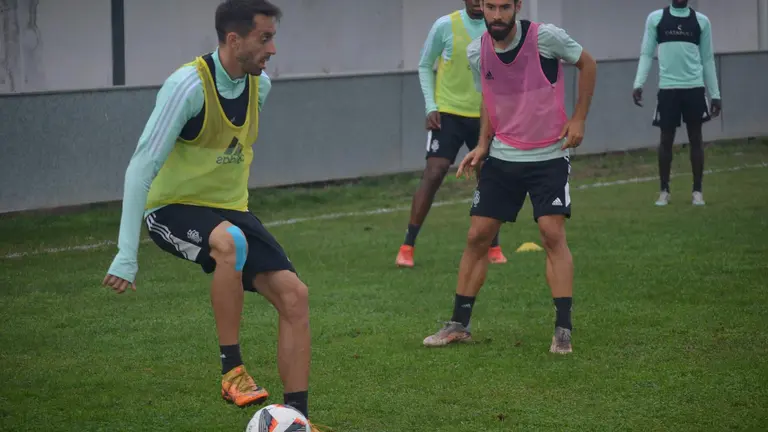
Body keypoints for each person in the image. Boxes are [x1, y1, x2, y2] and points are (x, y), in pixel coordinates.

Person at [101, 1, 322, 427]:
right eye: (265, 38)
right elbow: (140, 167)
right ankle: (232, 370)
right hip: (171, 209)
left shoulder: (263, 87)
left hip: (231, 212)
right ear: (233, 39)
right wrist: (126, 255)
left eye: (273, 37)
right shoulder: (188, 86)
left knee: (296, 296)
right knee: (230, 242)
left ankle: (295, 420)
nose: (273, 48)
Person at [422, 0, 597, 354]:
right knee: (477, 236)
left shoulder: (545, 38)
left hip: (549, 154)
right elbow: (489, 97)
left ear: (517, 6)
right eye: (491, 7)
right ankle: (459, 324)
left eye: (504, 7)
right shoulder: (477, 51)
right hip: (503, 156)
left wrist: (578, 118)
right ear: (482, 8)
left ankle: (563, 329)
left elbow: (588, 64)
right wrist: (483, 144)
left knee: (551, 234)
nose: (497, 15)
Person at [396, 0, 508, 268]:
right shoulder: (445, 25)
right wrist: (431, 106)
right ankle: (407, 246)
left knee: (489, 175)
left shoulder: (500, 27)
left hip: (484, 115)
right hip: (448, 113)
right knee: (435, 171)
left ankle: (493, 245)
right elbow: (424, 64)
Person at [632, 0, 721, 206]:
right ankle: (664, 191)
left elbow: (707, 59)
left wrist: (715, 94)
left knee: (696, 139)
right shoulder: (656, 19)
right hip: (668, 89)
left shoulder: (701, 22)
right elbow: (646, 53)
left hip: (694, 88)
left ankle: (697, 191)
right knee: (666, 140)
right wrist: (639, 83)